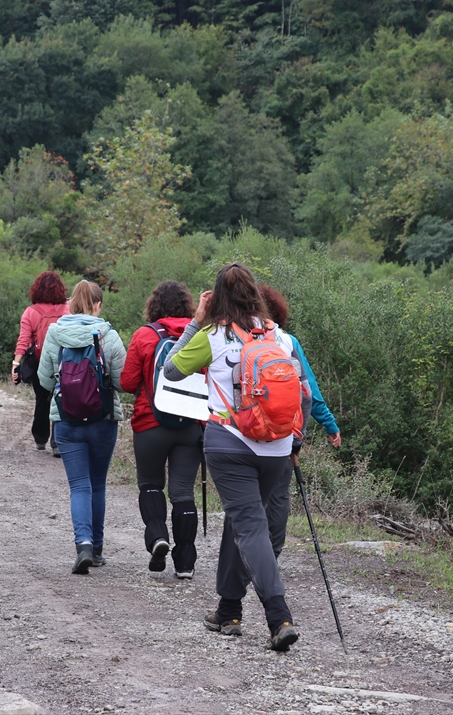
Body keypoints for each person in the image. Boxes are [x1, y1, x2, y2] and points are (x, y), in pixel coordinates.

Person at [162, 263, 307, 653]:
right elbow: (304, 395)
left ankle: (279, 617)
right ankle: (228, 609)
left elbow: (171, 370)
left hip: (229, 444)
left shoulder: (212, 335)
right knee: (242, 524)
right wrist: (295, 442)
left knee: (249, 526)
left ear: (217, 297)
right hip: (276, 448)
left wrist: (195, 322)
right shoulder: (280, 338)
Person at [37, 280, 126, 574]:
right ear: (97, 305)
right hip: (103, 420)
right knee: (98, 483)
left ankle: (83, 545)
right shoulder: (108, 335)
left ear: (71, 304)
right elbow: (122, 380)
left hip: (66, 420)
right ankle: (97, 550)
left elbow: (45, 380)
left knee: (79, 486)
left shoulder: (55, 333)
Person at [120, 280, 203, 579]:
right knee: (183, 493)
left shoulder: (144, 335)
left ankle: (157, 536)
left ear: (153, 304)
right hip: (191, 425)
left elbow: (129, 383)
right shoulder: (201, 335)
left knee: (151, 484)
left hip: (150, 423)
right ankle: (185, 563)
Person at [257, 285, 342, 451]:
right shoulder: (288, 342)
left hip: (242, 429)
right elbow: (307, 392)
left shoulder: (233, 339)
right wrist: (328, 423)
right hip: (280, 433)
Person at [12, 271, 68, 455]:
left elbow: (23, 339)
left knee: (42, 399)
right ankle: (57, 442)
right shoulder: (68, 310)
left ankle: (40, 437)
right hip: (65, 361)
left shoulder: (31, 312)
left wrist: (16, 363)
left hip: (39, 362)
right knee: (62, 398)